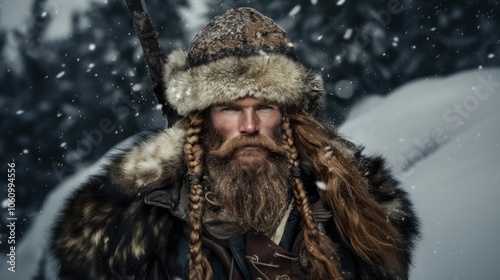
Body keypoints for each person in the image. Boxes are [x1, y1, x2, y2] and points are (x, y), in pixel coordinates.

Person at [51, 7, 419, 280]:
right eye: (230, 108)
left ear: (288, 115)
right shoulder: (144, 218)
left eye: (264, 107)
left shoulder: (352, 208)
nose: (249, 125)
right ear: (203, 117)